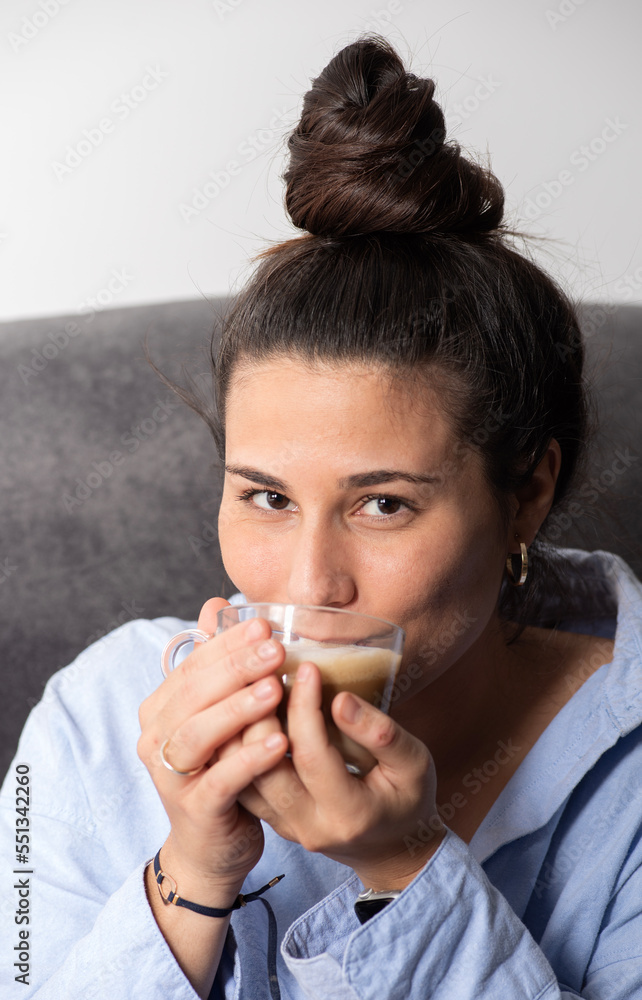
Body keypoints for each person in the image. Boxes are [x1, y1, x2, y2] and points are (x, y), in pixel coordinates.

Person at [2, 33, 641, 1000]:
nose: (308, 583)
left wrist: (407, 870)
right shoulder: (95, 720)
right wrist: (191, 872)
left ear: (527, 494)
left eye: (383, 504)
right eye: (267, 497)